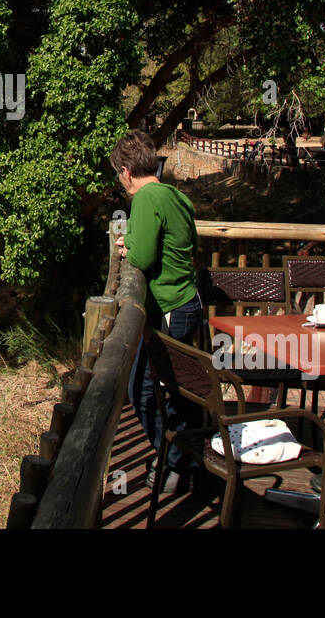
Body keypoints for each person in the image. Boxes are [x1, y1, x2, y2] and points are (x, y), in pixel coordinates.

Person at [110, 129, 202, 495]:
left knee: (141, 388)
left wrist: (127, 247)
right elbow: (187, 241)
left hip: (170, 307)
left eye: (119, 175)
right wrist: (133, 239)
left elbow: (144, 256)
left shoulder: (146, 198)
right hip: (187, 301)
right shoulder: (174, 195)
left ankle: (179, 459)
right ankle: (192, 453)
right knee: (178, 388)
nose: (121, 182)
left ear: (127, 171)